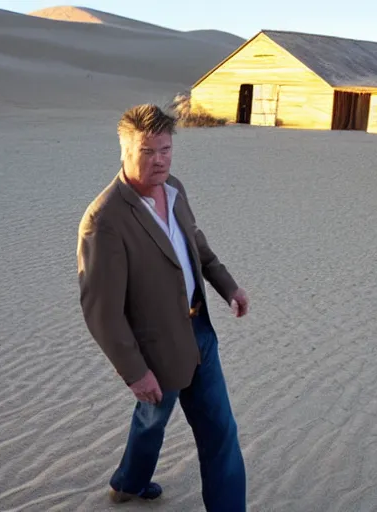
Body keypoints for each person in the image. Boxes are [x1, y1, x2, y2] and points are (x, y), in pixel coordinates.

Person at [76, 103, 249, 511]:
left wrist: (228, 286)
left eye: (166, 150)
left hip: (199, 333)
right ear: (124, 150)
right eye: (147, 151)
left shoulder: (175, 190)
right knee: (152, 418)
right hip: (154, 347)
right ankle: (129, 483)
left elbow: (196, 246)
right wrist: (136, 372)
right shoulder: (105, 220)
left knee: (219, 431)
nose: (159, 161)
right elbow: (101, 310)